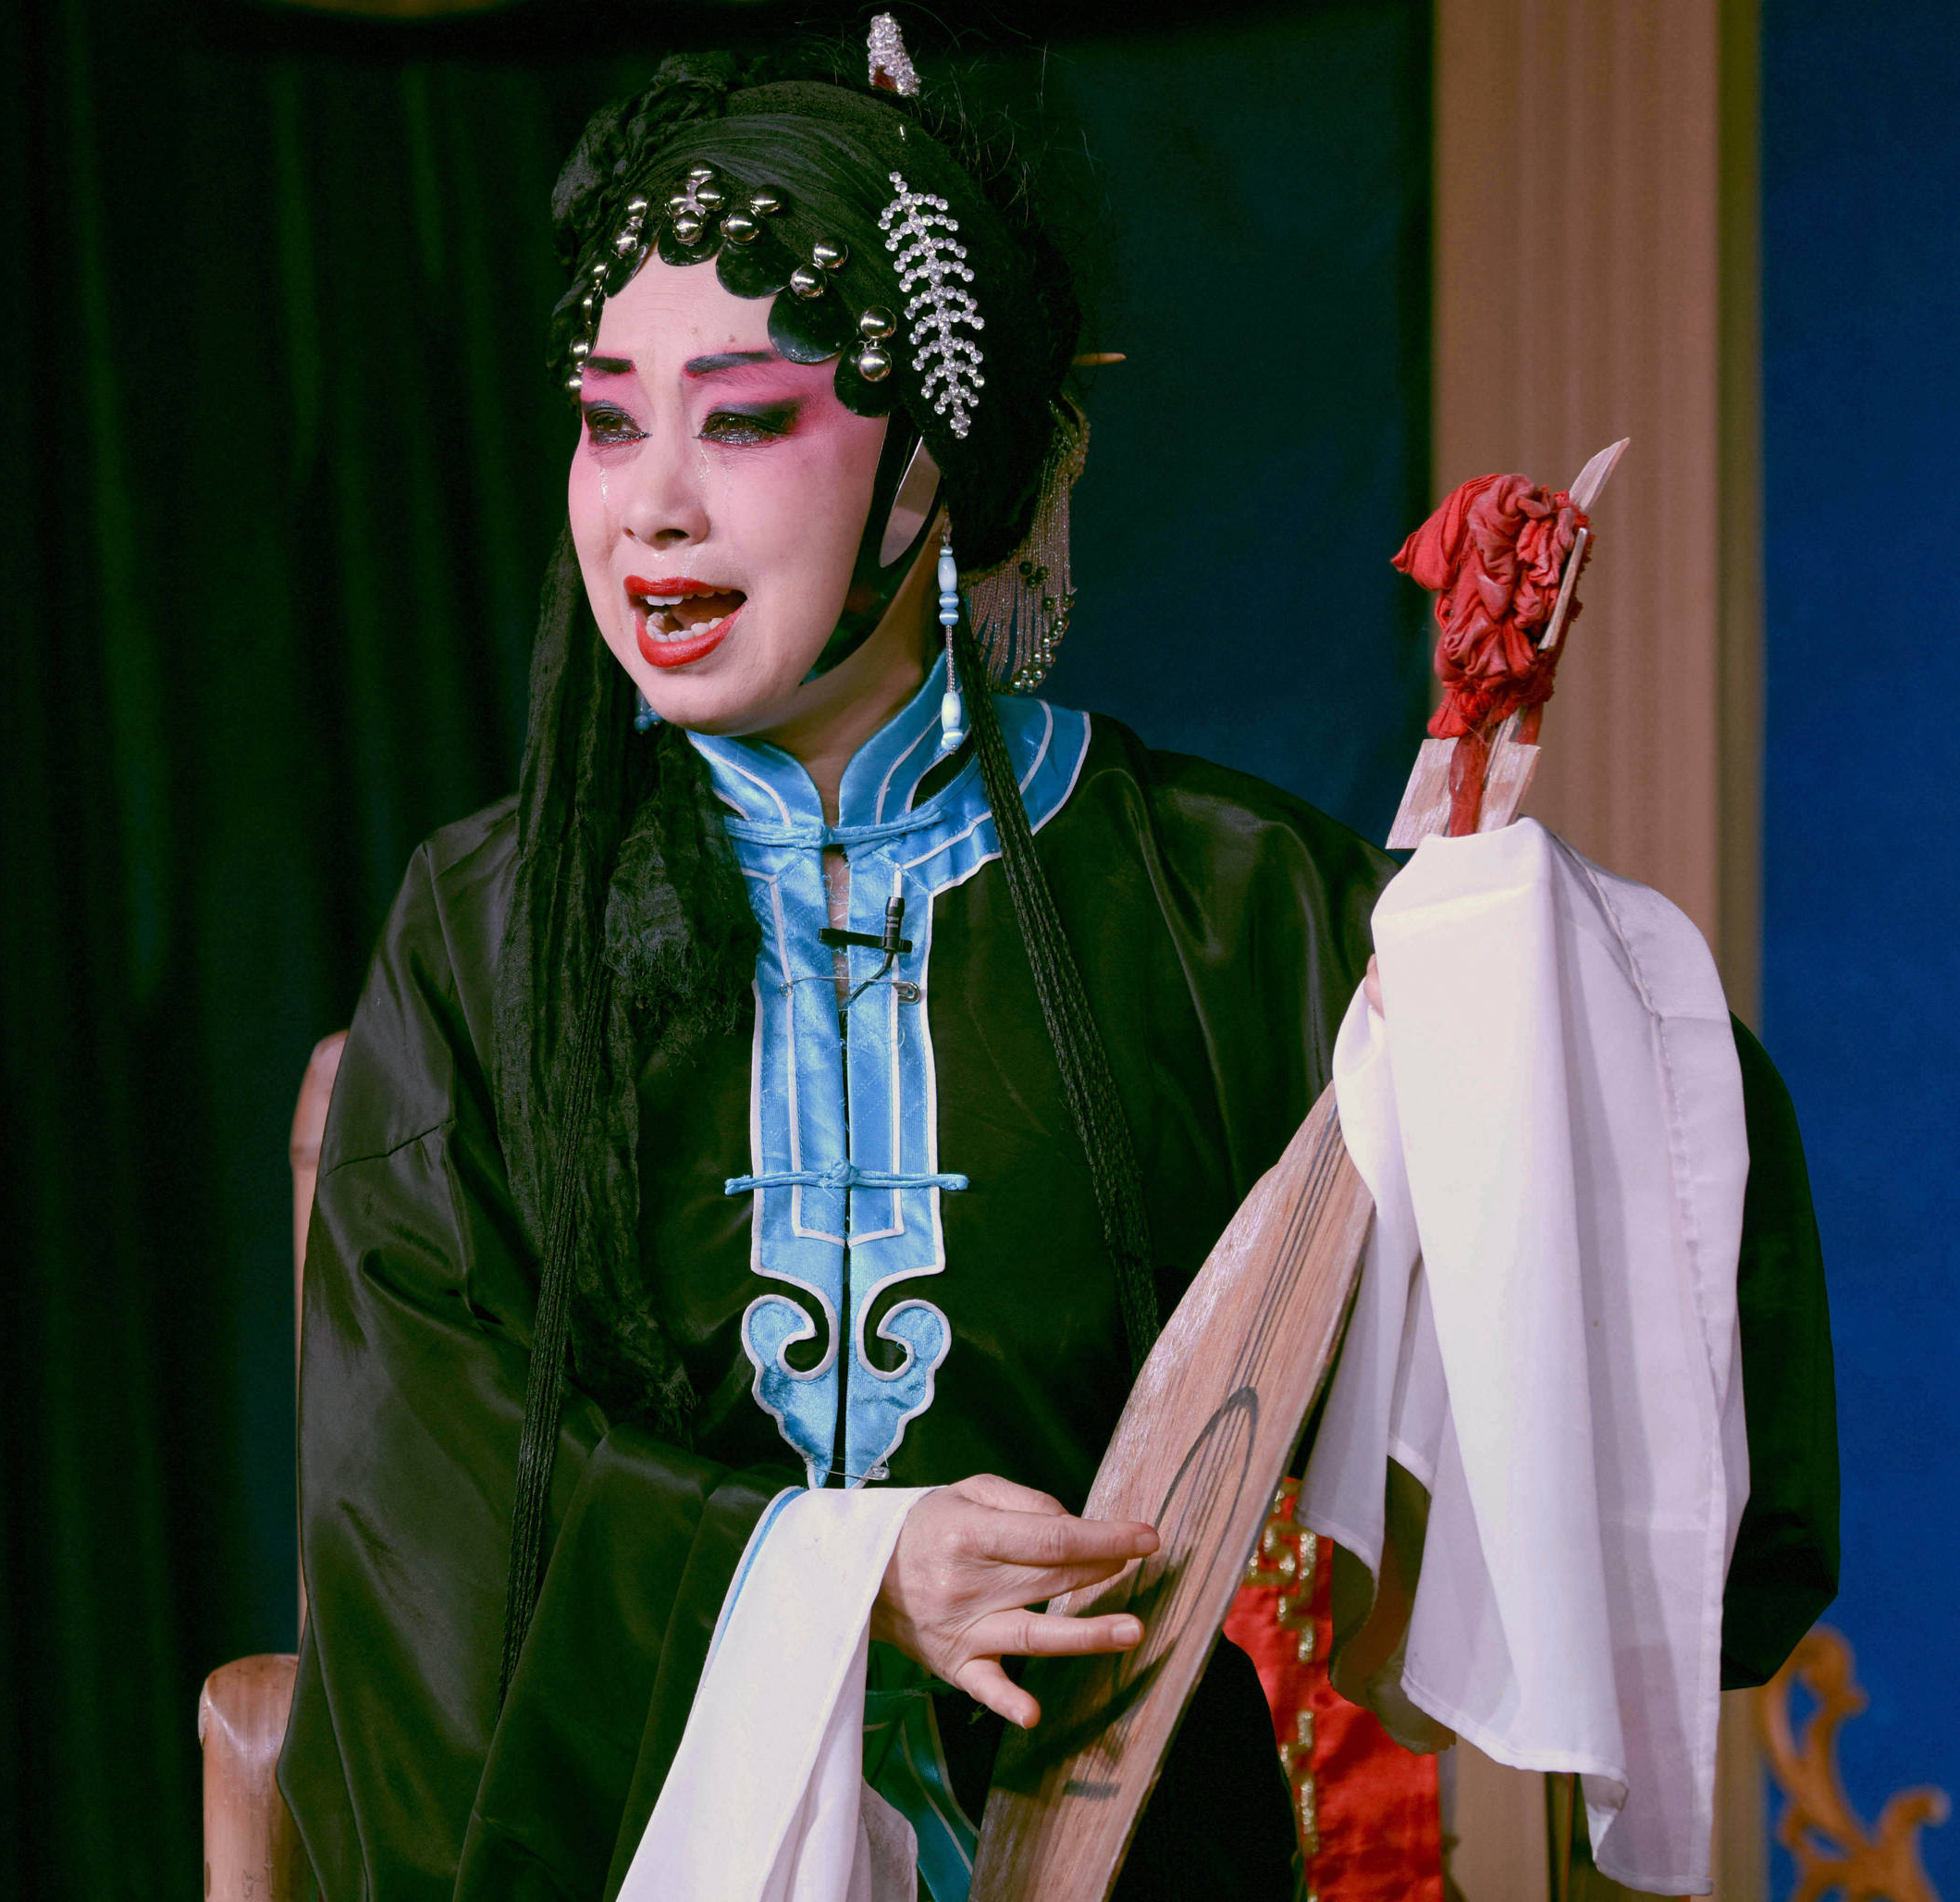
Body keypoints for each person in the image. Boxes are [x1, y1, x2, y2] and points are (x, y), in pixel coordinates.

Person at [278, 31, 1837, 1902]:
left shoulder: (1214, 904)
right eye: (610, 421)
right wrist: (852, 1577)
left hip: (1116, 1843)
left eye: (743, 421)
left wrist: (1524, 992)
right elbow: (422, 1487)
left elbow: (1644, 1254)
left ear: (929, 477)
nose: (649, 505)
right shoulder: (487, 930)